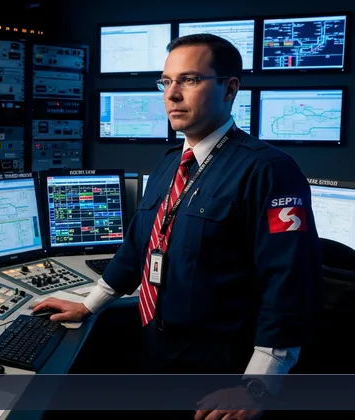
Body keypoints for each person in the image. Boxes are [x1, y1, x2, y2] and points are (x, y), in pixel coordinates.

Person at [34, 34, 322, 419]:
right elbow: (137, 247)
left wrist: (257, 386)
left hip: (221, 368)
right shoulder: (170, 163)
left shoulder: (269, 171)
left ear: (229, 88)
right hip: (158, 347)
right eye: (166, 81)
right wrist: (88, 305)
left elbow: (290, 283)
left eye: (189, 79)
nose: (172, 94)